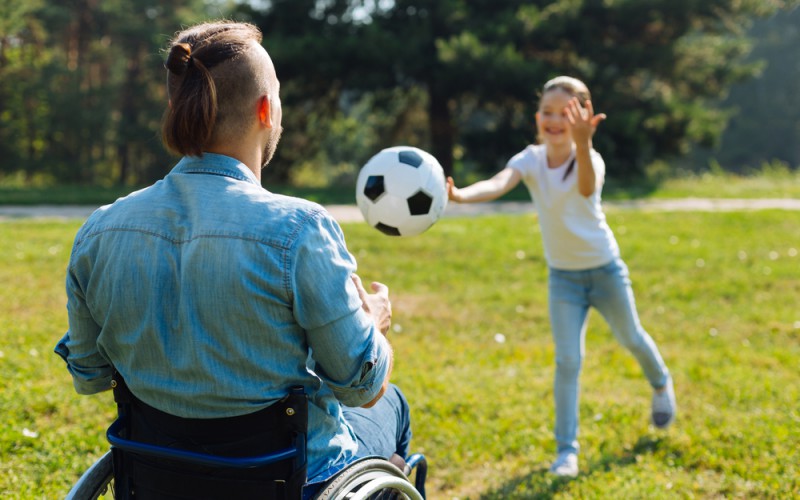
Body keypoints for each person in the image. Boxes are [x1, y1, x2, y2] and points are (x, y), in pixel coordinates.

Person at [55, 20, 410, 496]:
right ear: (267, 110)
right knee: (394, 407)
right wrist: (375, 324)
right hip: (294, 479)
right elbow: (361, 387)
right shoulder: (299, 230)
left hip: (160, 474)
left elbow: (88, 374)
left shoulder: (100, 229)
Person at [447, 76, 676, 478]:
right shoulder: (531, 159)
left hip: (605, 271)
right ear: (538, 118)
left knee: (631, 337)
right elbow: (500, 182)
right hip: (563, 280)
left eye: (565, 114)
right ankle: (565, 452)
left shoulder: (591, 158)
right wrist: (462, 194)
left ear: (584, 118)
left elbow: (585, 189)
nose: (554, 121)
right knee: (568, 361)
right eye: (548, 113)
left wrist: (584, 144)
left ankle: (660, 383)